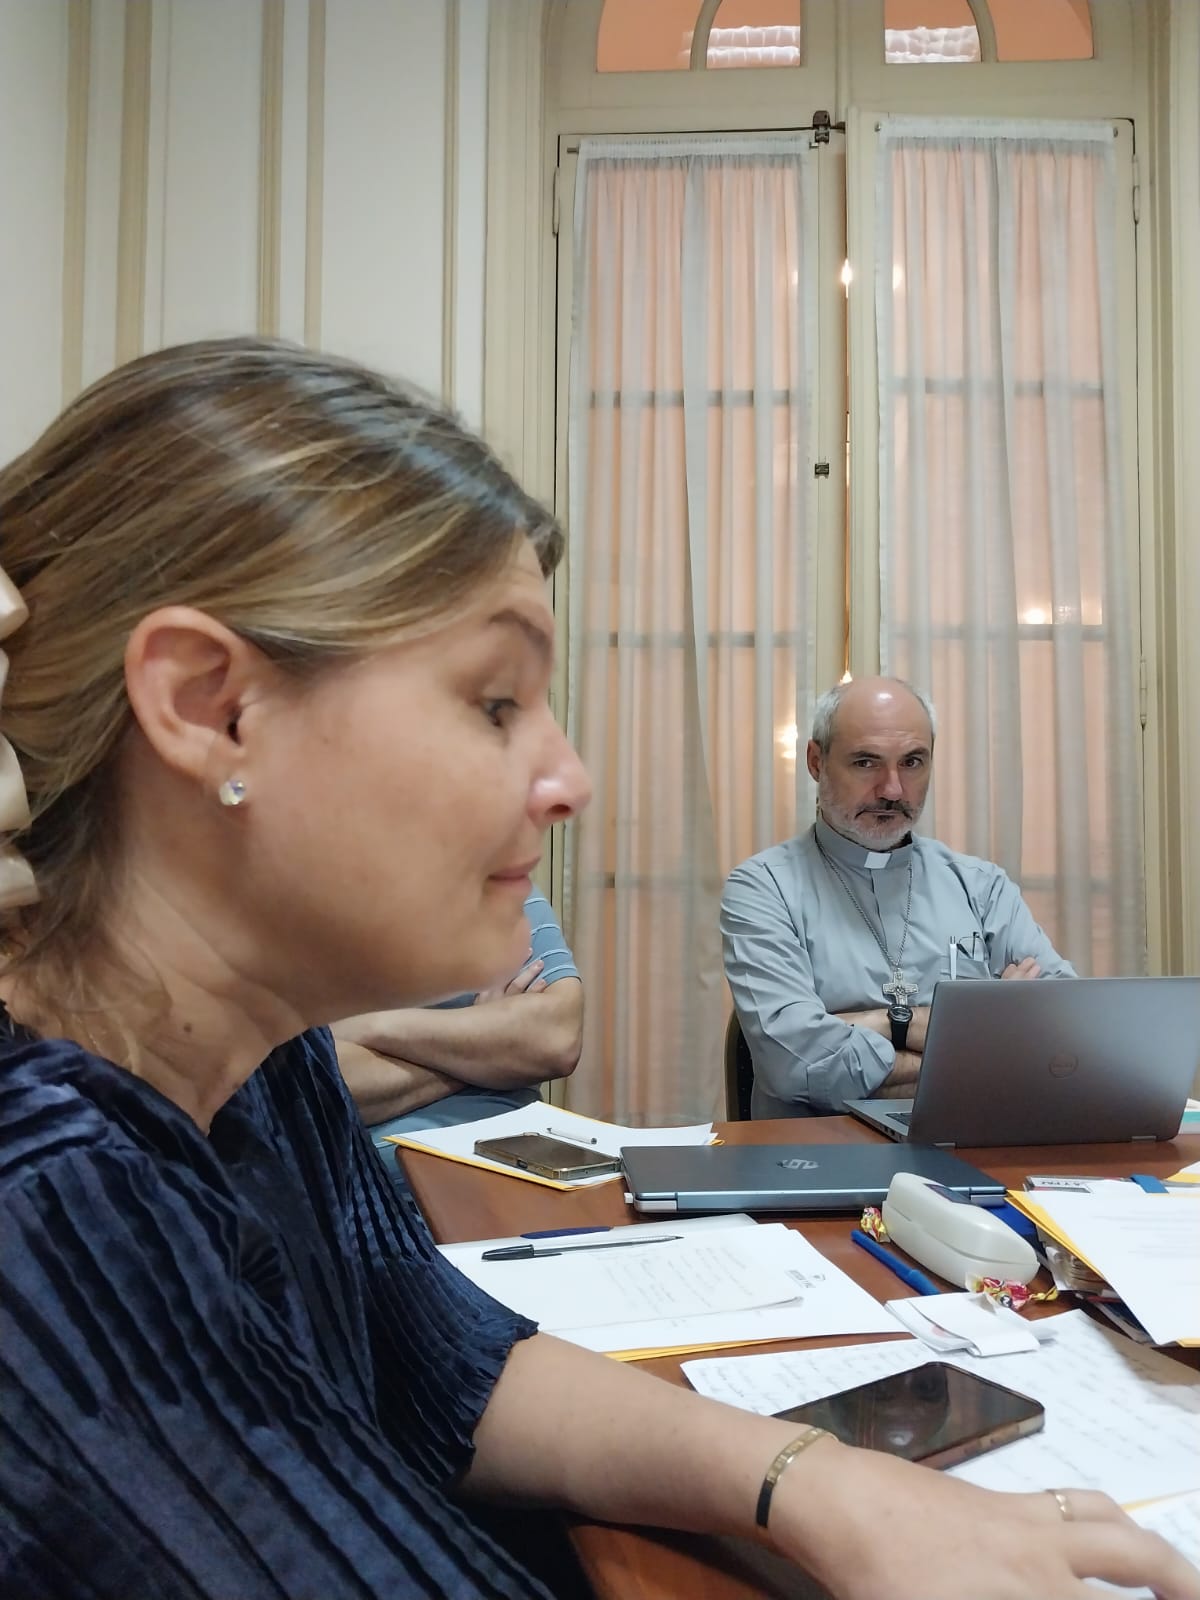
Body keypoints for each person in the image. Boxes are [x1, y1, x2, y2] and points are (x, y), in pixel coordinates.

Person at [0, 341, 1192, 1600]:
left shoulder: (265, 1069)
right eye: (495, 701)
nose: (567, 777)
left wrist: (823, 1481)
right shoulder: (51, 1210)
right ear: (211, 707)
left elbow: (458, 1367)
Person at [722, 677, 1076, 1118]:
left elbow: (1064, 1036)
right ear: (816, 762)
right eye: (866, 762)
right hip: (820, 1151)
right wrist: (983, 1039)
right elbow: (794, 1065)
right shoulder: (763, 888)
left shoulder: (981, 886)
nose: (892, 790)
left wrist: (875, 1025)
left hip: (971, 1144)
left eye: (912, 762)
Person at [334, 886, 583, 1158]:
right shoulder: (322, 907)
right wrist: (485, 1048)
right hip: (380, 1176)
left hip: (520, 1164)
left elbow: (558, 1041)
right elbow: (325, 1087)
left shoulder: (502, 887)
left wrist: (374, 1026)